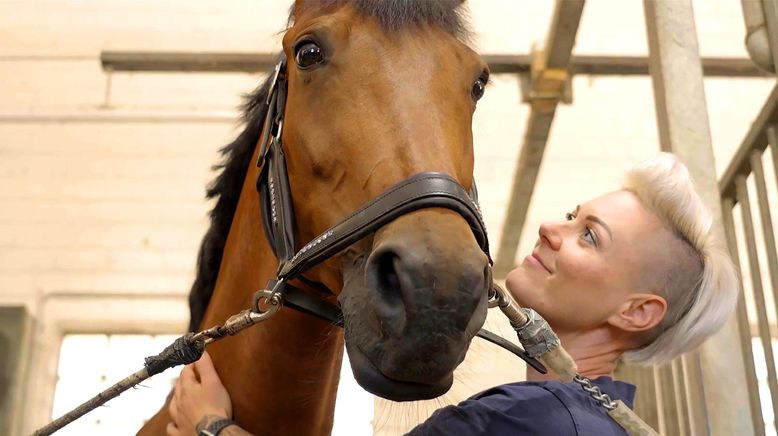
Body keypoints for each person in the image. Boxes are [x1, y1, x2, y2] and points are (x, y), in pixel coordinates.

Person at [165, 153, 739, 435]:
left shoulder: (532, 422)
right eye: (571, 215)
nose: (551, 229)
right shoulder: (597, 422)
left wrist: (212, 428)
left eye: (590, 236)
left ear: (637, 311)